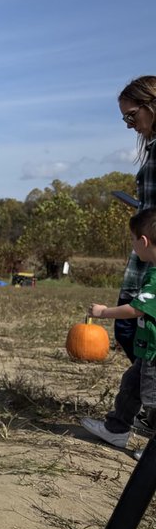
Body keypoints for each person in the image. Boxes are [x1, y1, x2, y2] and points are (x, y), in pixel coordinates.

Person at [81, 207, 156, 452]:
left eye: (133, 240)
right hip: (148, 352)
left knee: (153, 400)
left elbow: (136, 309)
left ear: (143, 241)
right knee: (132, 385)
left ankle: (153, 453)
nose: (132, 246)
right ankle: (116, 430)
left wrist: (104, 312)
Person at [110, 76, 156, 361]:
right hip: (145, 247)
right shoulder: (152, 148)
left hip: (152, 251)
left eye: (131, 115)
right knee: (130, 329)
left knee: (131, 328)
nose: (129, 124)